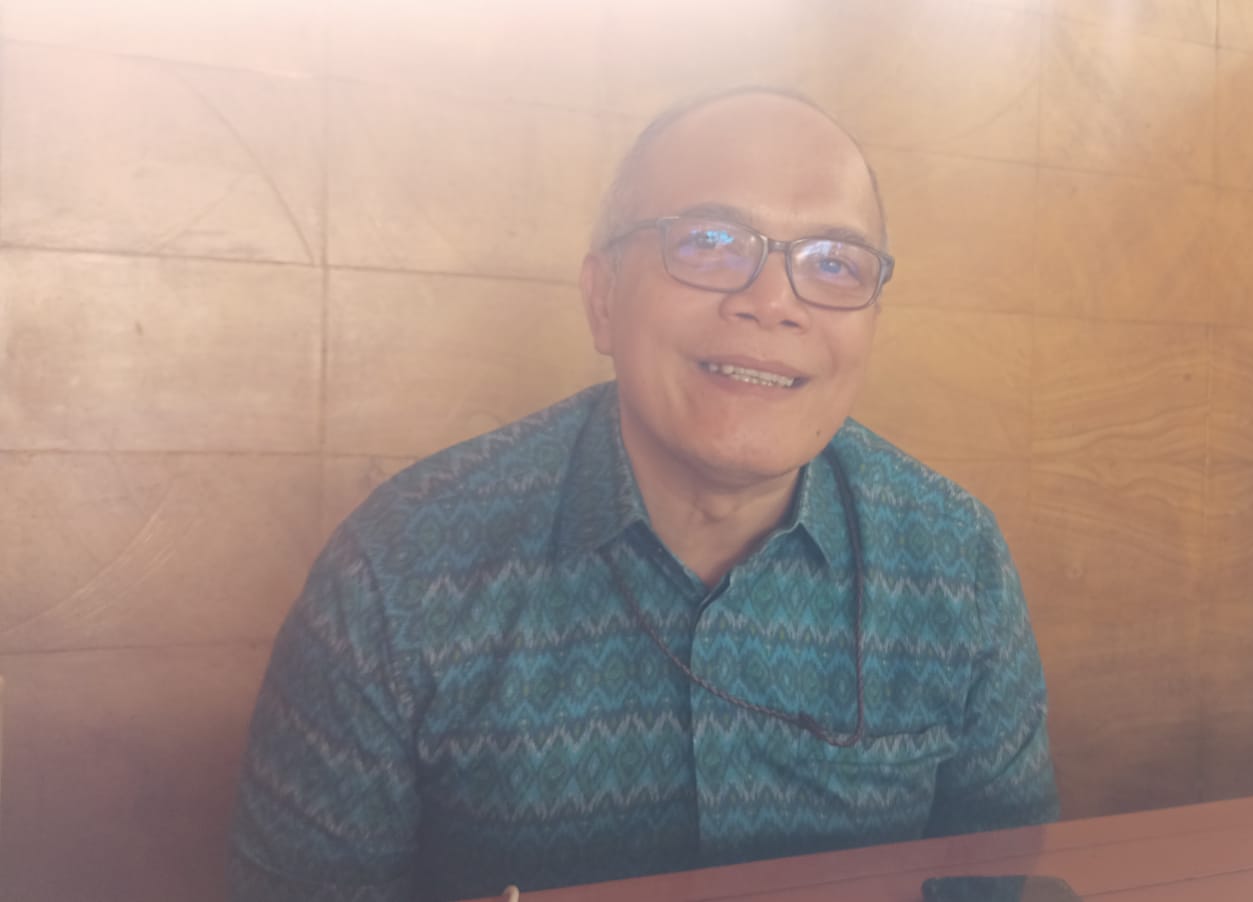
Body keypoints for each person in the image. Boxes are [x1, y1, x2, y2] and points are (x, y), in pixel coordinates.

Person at [228, 88, 1058, 902]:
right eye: (709, 242)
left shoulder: (957, 561)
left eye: (834, 264)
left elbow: (995, 877)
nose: (773, 303)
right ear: (603, 299)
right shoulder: (397, 571)